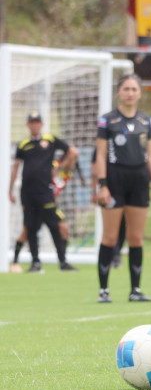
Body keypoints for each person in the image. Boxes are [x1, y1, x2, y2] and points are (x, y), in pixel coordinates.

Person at [95, 74, 151, 303]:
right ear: (118, 92)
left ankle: (135, 290)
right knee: (110, 237)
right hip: (114, 179)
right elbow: (101, 155)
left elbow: (150, 155)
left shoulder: (146, 121)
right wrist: (102, 185)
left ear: (140, 93)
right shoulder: (107, 120)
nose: (130, 93)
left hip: (139, 179)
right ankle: (104, 290)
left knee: (136, 237)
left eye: (134, 89)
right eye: (126, 88)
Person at [8, 112, 78, 273]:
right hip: (27, 193)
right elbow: (16, 167)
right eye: (31, 122)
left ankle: (62, 262)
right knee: (30, 228)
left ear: (42, 124)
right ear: (27, 125)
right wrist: (10, 190)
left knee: (56, 226)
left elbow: (72, 151)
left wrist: (59, 168)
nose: (34, 125)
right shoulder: (23, 144)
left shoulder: (50, 140)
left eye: (37, 122)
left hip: (45, 192)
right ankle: (35, 263)